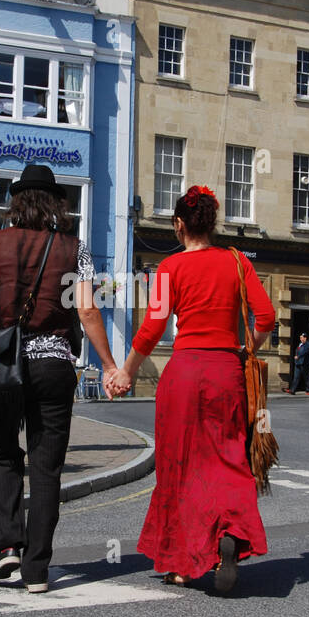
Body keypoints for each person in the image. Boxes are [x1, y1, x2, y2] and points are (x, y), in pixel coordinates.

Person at [0, 163, 119, 594]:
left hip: (2, 364)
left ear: (16, 201)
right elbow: (86, 310)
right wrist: (108, 364)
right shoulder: (75, 249)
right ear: (56, 203)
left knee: (3, 454)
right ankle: (37, 571)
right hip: (53, 364)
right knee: (46, 467)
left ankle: (7, 546)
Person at [108, 184, 274, 593]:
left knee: (180, 468)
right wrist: (245, 349)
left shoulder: (170, 269)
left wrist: (126, 371)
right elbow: (266, 316)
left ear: (179, 225)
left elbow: (152, 328)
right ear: (212, 224)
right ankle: (229, 535)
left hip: (182, 374)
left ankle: (183, 565)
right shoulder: (238, 262)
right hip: (226, 371)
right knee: (230, 458)